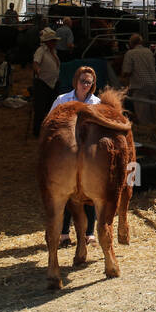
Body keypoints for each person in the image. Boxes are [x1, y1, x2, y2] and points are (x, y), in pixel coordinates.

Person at [52, 66, 102, 245]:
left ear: (93, 84)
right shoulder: (62, 100)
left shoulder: (97, 103)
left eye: (89, 82)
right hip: (66, 155)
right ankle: (64, 233)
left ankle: (89, 233)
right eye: (83, 81)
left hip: (88, 155)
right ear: (76, 81)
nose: (85, 85)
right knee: (67, 193)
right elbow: (51, 123)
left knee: (89, 193)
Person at [121, 34, 156, 126]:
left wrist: (122, 77)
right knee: (153, 107)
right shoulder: (149, 52)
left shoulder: (130, 53)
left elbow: (127, 71)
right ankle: (154, 125)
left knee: (142, 110)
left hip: (139, 84)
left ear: (130, 44)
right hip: (153, 82)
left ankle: (145, 129)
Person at [32, 27, 60, 133]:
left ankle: (49, 128)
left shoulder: (54, 51)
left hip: (53, 82)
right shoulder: (41, 50)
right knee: (40, 108)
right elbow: (36, 62)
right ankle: (37, 131)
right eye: (53, 40)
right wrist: (37, 69)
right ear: (47, 41)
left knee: (52, 107)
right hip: (42, 82)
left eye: (55, 40)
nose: (55, 42)